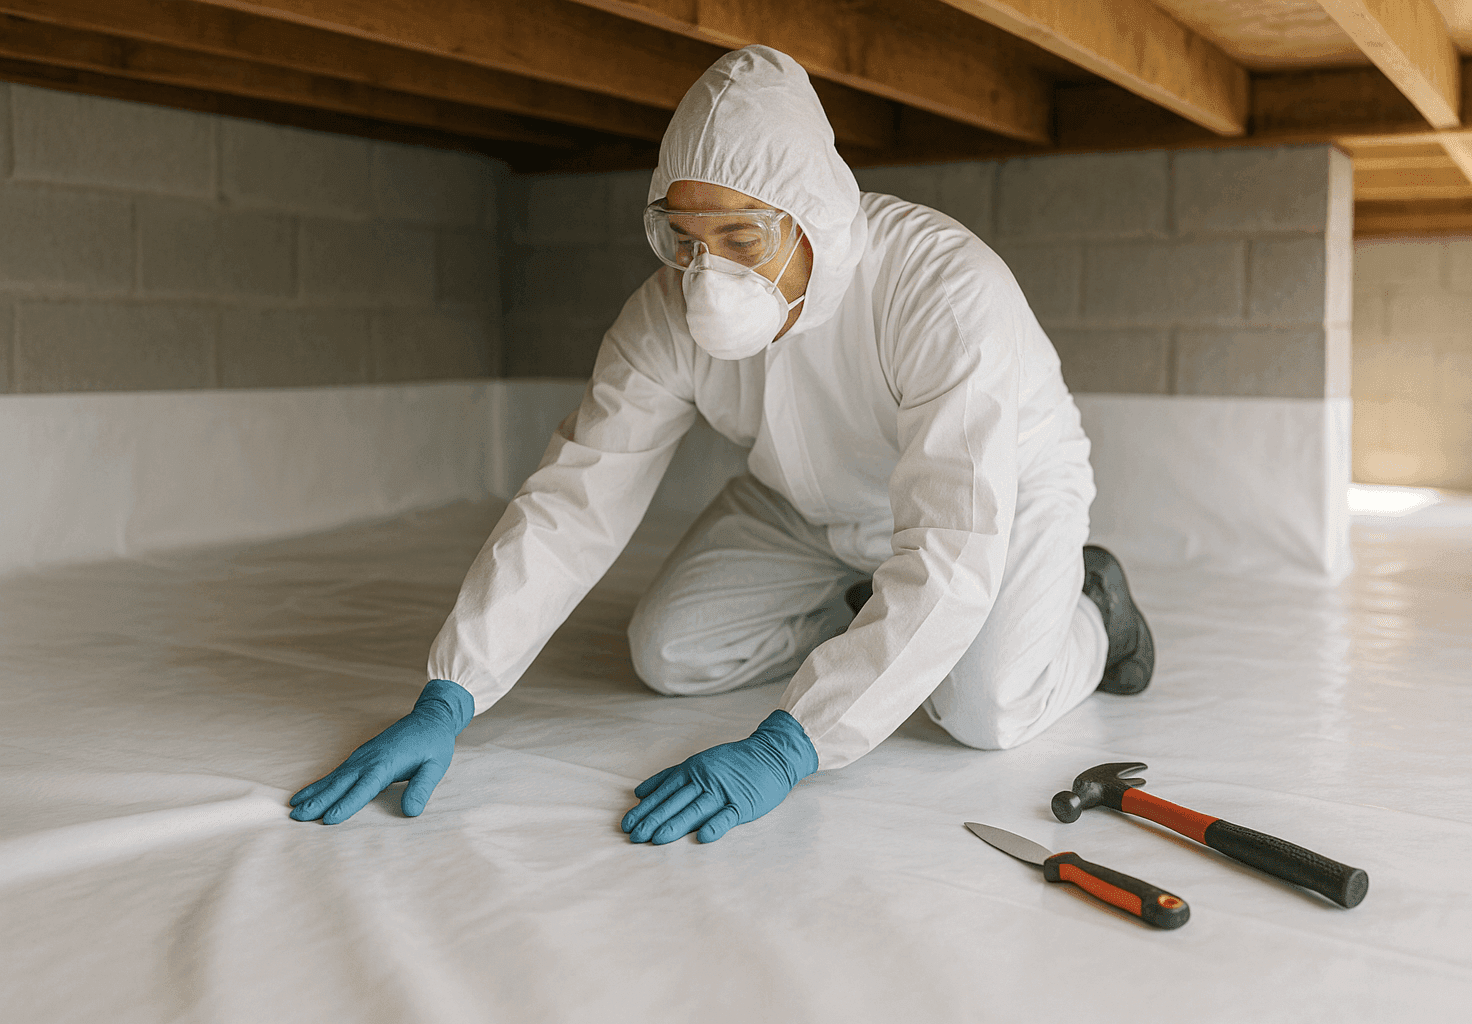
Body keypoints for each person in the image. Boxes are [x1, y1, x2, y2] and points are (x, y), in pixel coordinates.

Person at [289, 45, 1153, 843]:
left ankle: (1093, 611)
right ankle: (873, 613)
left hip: (1001, 494)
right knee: (670, 652)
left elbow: (954, 543)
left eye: (740, 238)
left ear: (811, 213)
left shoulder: (941, 288)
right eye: (686, 240)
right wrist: (452, 692)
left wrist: (791, 744)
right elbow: (578, 494)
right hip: (808, 503)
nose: (708, 276)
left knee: (986, 709)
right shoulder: (665, 314)